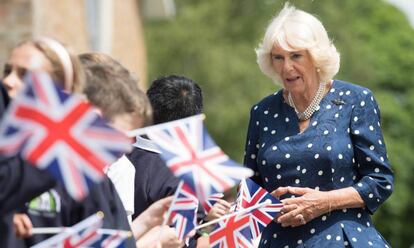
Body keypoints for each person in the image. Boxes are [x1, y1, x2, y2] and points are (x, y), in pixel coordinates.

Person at [244, 4, 394, 247]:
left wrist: (324, 202)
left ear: (316, 56)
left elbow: (379, 181)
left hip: (343, 239)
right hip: (279, 240)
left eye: (296, 56)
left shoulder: (355, 100)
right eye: (278, 57)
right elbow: (251, 190)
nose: (286, 67)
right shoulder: (262, 112)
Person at [2, 39, 134, 247]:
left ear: (61, 90)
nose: (8, 81)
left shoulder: (80, 166)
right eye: (7, 71)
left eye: (25, 75)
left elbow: (109, 237)